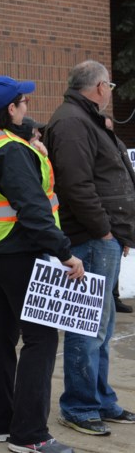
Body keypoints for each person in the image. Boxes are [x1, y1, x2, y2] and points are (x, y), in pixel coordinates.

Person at [0, 75, 83, 453]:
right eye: (23, 103)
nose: (28, 107)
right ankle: (30, 434)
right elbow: (33, 209)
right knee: (41, 338)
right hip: (17, 251)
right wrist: (64, 252)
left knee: (2, 335)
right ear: (10, 110)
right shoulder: (11, 151)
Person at [45, 61, 135, 437]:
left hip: (104, 239)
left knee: (103, 326)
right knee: (87, 328)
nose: (111, 91)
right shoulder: (71, 122)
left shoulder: (85, 118)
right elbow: (76, 185)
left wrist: (120, 232)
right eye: (109, 85)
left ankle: (99, 398)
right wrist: (105, 231)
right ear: (99, 87)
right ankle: (79, 406)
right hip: (91, 239)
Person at [103, 115, 134, 314]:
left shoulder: (118, 145)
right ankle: (109, 299)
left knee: (115, 264)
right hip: (103, 217)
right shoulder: (97, 149)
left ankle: (114, 297)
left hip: (120, 215)